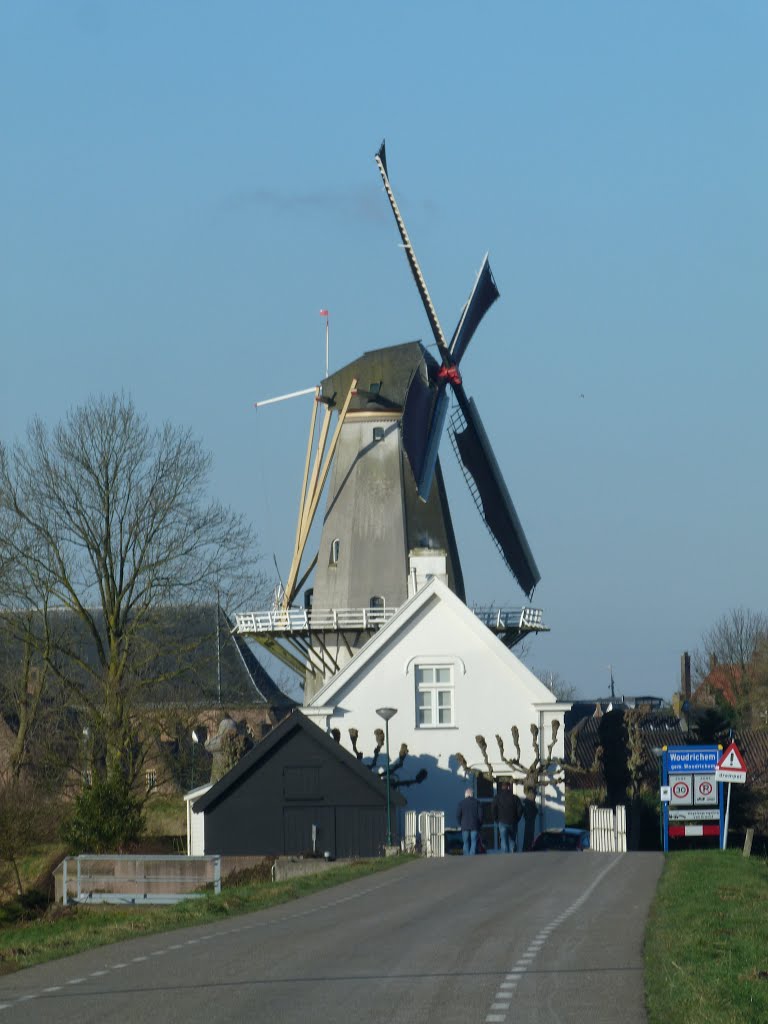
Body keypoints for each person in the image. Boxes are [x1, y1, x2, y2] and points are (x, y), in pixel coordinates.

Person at [492, 781, 523, 853]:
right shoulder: (515, 798)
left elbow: (493, 809)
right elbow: (520, 809)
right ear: (509, 787)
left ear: (502, 787)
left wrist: (496, 819)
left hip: (502, 821)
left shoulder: (497, 797)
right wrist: (517, 818)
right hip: (513, 821)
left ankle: (505, 856)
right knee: (512, 839)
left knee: (503, 839)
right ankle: (512, 852)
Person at [456, 786, 484, 855]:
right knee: (473, 841)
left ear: (465, 795)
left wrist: (460, 823)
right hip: (474, 826)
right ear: (472, 795)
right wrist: (479, 824)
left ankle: (466, 856)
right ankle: (472, 856)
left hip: (464, 826)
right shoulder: (477, 803)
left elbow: (458, 815)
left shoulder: (461, 803)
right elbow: (481, 815)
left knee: (466, 842)